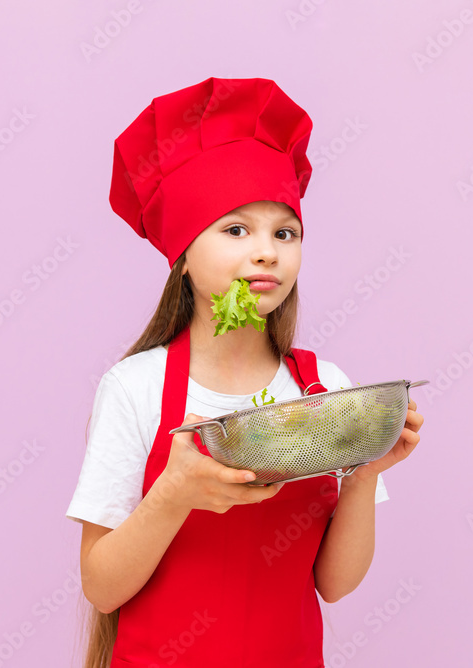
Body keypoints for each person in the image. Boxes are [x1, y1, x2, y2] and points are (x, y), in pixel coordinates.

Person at [66, 76, 425, 668]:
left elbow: (334, 583)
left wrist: (363, 473)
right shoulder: (136, 387)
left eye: (285, 233)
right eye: (236, 230)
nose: (267, 251)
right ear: (183, 259)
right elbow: (102, 588)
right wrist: (174, 495)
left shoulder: (326, 389)